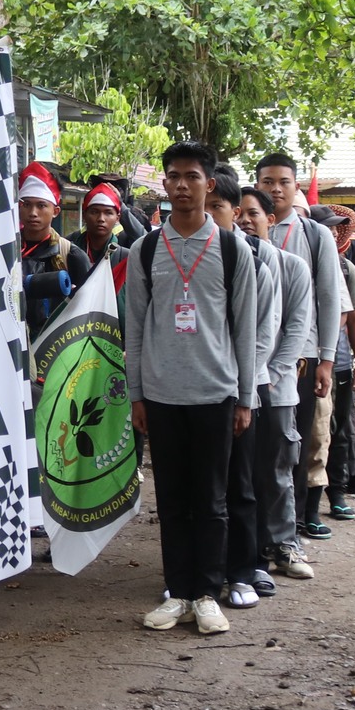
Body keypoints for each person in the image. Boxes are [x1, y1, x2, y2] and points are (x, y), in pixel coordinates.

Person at [126, 142, 257, 635]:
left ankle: (207, 593)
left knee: (213, 500)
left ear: (210, 184)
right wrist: (137, 394)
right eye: (174, 176)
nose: (182, 185)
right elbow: (134, 327)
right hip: (161, 395)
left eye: (192, 177)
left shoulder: (230, 247)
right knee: (173, 499)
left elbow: (245, 328)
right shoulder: (145, 250)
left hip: (216, 393)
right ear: (164, 183)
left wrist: (246, 397)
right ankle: (177, 591)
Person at [253, 155, 340, 547]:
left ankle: (295, 529)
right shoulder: (243, 234)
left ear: (296, 186)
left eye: (283, 182)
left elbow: (329, 298)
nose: (275, 189)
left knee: (296, 444)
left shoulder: (314, 235)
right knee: (261, 448)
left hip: (301, 359)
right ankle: (258, 530)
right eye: (267, 181)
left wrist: (327, 359)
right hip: (254, 359)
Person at [237, 184, 315, 589]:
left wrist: (271, 372)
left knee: (279, 464)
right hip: (237, 386)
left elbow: (297, 326)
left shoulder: (291, 266)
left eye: (255, 213)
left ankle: (284, 543)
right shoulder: (232, 261)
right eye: (241, 213)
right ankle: (248, 551)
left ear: (271, 218)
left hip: (279, 385)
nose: (247, 220)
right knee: (242, 470)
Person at [206, 170, 278, 608]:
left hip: (244, 391)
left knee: (241, 485)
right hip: (197, 393)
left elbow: (262, 335)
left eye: (217, 208)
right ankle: (200, 575)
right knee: (201, 489)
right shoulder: (178, 258)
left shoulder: (254, 262)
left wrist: (243, 391)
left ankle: (246, 569)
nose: (209, 216)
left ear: (233, 213)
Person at [322, 209, 355, 524]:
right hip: (299, 363)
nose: (334, 235)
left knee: (339, 430)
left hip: (338, 362)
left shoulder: (345, 268)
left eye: (337, 231)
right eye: (327, 230)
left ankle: (337, 493)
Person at [18, 163, 93, 337]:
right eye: (26, 204)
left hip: (54, 349)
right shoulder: (7, 253)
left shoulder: (71, 255)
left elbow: (87, 313)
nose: (33, 212)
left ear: (56, 211)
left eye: (42, 205)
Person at [76, 181, 133, 291]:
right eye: (94, 212)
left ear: (117, 218)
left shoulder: (126, 258)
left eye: (108, 213)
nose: (101, 219)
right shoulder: (68, 250)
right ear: (84, 215)